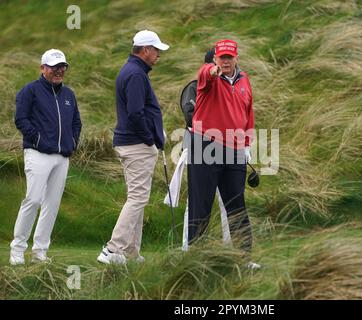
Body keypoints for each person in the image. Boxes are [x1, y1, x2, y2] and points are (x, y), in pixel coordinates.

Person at [97, 30, 169, 265]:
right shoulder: (136, 74)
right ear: (145, 50)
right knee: (138, 198)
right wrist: (150, 138)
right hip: (137, 144)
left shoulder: (134, 70)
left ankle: (130, 252)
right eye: (156, 50)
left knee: (137, 197)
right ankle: (113, 249)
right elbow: (136, 112)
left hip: (133, 143)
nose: (158, 55)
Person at [187, 39, 259, 268]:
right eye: (221, 58)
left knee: (237, 205)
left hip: (235, 149)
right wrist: (213, 70)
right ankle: (195, 260)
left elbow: (248, 114)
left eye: (229, 57)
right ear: (215, 58)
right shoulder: (209, 76)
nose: (225, 61)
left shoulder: (244, 80)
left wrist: (247, 145)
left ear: (236, 58)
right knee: (202, 204)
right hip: (205, 145)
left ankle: (243, 258)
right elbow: (206, 74)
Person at [10, 49, 82, 265]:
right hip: (37, 153)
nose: (59, 71)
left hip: (62, 157)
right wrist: (40, 140)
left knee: (52, 204)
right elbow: (21, 119)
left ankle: (40, 252)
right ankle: (17, 249)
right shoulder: (30, 91)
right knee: (32, 200)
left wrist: (72, 142)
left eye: (62, 67)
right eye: (53, 67)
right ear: (43, 68)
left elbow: (76, 123)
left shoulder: (69, 94)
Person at [165, 48, 232, 251]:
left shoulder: (231, 89)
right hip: (200, 149)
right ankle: (189, 248)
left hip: (228, 149)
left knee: (228, 202)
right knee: (196, 202)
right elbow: (191, 117)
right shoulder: (193, 88)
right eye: (219, 63)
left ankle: (233, 248)